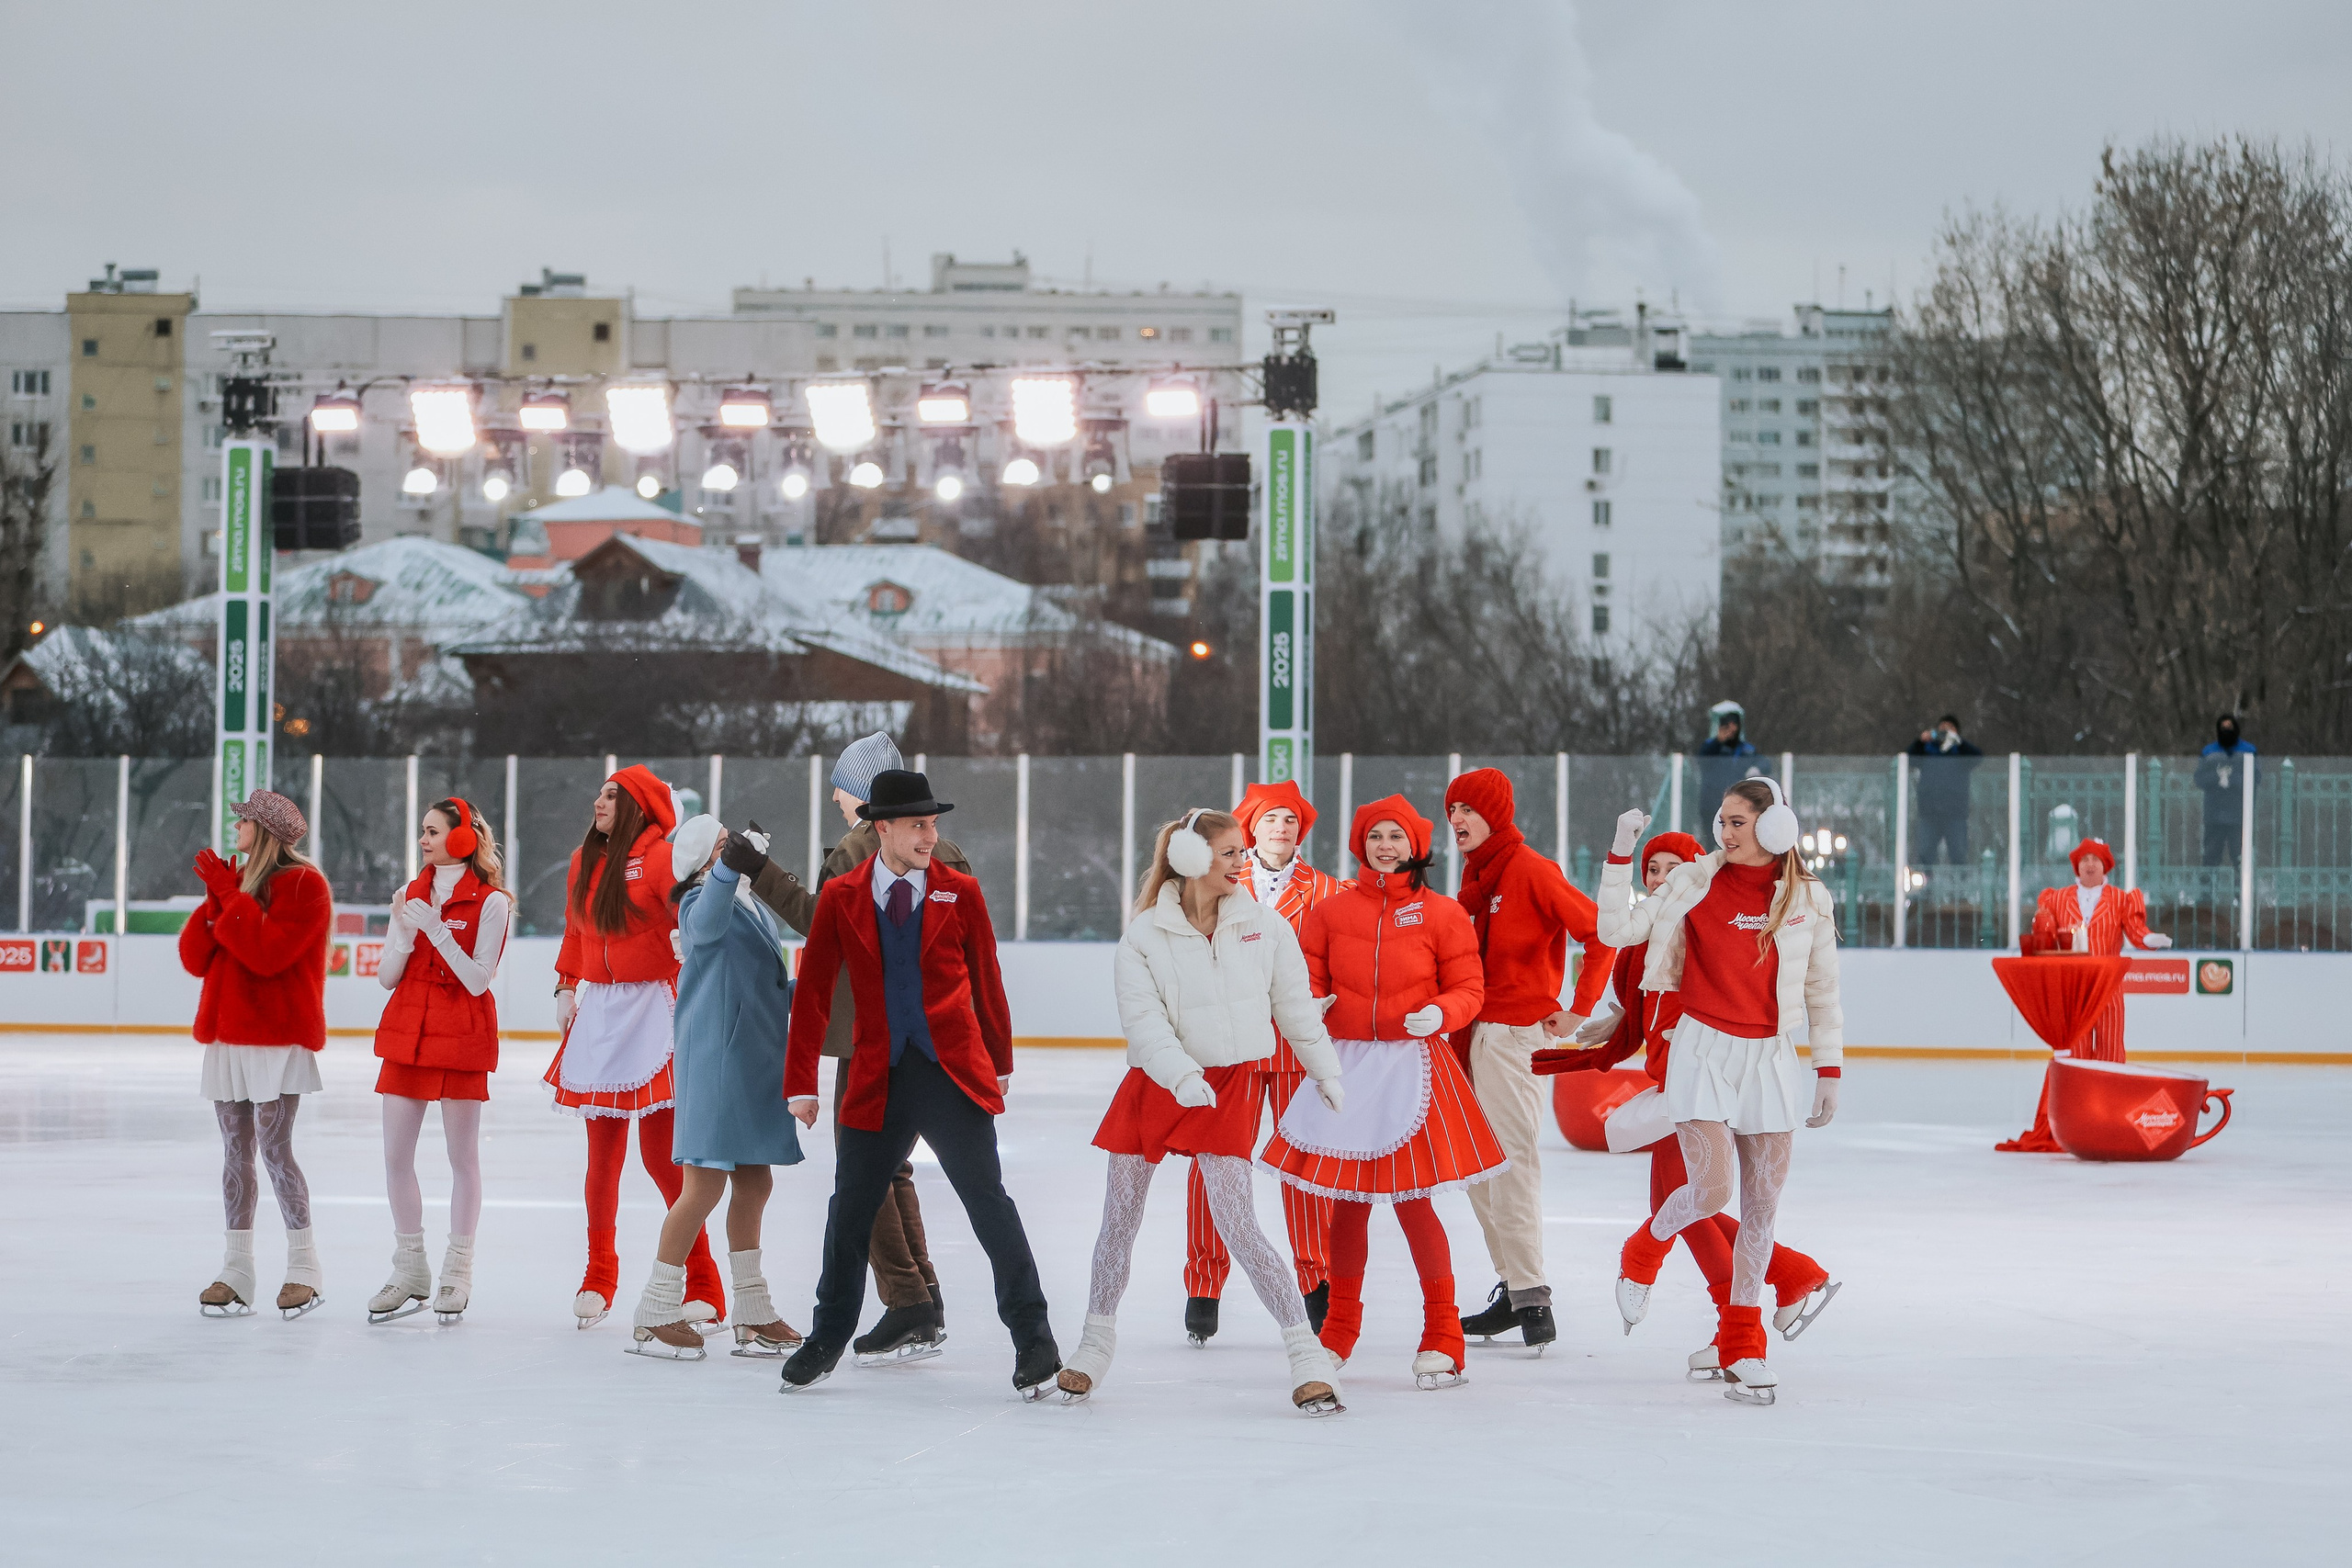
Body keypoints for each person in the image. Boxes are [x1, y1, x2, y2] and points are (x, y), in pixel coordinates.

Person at [778, 770, 1062, 1398]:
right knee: (849, 1209)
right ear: (883, 828)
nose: (931, 836)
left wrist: (1001, 1062)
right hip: (875, 1074)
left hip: (949, 1072)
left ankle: (1035, 1338)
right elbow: (815, 995)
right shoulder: (842, 896)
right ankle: (827, 1335)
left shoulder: (959, 892)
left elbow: (987, 979)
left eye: (933, 824)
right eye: (918, 825)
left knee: (989, 1202)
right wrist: (800, 1080)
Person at [1057, 808, 1348, 1415]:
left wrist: (1326, 1068)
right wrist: (1180, 1073)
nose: (1241, 862)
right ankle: (1093, 1343)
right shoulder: (1143, 936)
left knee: (1240, 1226)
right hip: (1158, 1083)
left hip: (1230, 1084)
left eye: (1242, 851)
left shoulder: (1265, 928)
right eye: (1227, 853)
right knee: (1120, 1218)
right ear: (1191, 860)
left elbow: (1296, 1007)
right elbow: (1144, 1021)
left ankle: (1307, 1355)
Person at [1534, 829, 1838, 1378]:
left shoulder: (1697, 926)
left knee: (1693, 1202)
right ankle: (1768, 1299)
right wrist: (1590, 1027)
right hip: (1676, 1091)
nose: (1660, 878)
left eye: (1673, 867)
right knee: (1694, 1203)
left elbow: (1709, 1000)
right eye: (1653, 868)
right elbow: (1635, 1015)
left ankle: (1757, 1302)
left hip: (1700, 1088)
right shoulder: (1643, 946)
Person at [1597, 779, 1844, 1406]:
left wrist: (1830, 1070)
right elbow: (1618, 928)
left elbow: (1822, 991)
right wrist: (1620, 852)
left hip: (1772, 1058)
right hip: (1702, 1049)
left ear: (1775, 826)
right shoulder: (1694, 880)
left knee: (1762, 1207)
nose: (1724, 833)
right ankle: (1643, 1248)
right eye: (1722, 820)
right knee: (1712, 1189)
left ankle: (1743, 1343)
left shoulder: (1809, 898)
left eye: (1737, 822)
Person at [729, 731, 964, 1365]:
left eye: (842, 796)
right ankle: (924, 1297)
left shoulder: (865, 845)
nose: (840, 807)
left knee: (863, 1170)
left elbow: (819, 918)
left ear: (863, 797)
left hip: (870, 1034)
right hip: (927, 1031)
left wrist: (758, 871)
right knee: (893, 1166)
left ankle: (909, 1300)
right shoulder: (947, 848)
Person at [1259, 795, 1504, 1392]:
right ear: (1360, 844)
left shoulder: (1442, 913)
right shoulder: (1332, 911)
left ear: (1417, 844)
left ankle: (1443, 1333)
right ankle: (1339, 1328)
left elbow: (1471, 986)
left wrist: (1441, 1012)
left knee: (1414, 1201)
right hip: (1346, 1064)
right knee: (1347, 1201)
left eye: (1396, 835)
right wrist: (1308, 1004)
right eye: (1375, 836)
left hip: (1411, 1067)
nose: (1385, 845)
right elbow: (1307, 974)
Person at [1442, 767, 1613, 1352]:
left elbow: (1601, 932)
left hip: (1515, 1037)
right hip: (1470, 1034)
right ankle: (1516, 1287)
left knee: (1511, 1163)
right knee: (1469, 1167)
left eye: (1468, 808)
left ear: (1496, 812)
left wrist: (1578, 1007)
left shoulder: (1531, 871)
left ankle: (1531, 1296)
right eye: (1452, 811)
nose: (1457, 820)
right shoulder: (1477, 877)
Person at [623, 817, 807, 1360]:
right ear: (709, 859)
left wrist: (816, 987)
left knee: (755, 1185)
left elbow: (763, 982)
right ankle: (655, 1312)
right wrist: (727, 870)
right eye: (728, 848)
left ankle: (751, 1309)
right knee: (702, 1188)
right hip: (719, 1062)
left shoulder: (748, 904)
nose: (740, 855)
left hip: (754, 1061)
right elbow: (703, 929)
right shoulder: (701, 901)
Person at [548, 765, 723, 1329]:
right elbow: (577, 931)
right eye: (599, 792)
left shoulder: (659, 859)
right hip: (601, 1014)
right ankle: (599, 1273)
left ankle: (705, 1282)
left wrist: (688, 942)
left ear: (639, 807)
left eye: (611, 795)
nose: (597, 802)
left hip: (654, 1011)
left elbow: (694, 925)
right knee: (601, 1158)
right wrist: (566, 983)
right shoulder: (584, 861)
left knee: (659, 1156)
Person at [1179, 779, 1341, 1346]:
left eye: (1291, 820)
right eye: (1271, 819)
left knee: (1303, 1161)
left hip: (1295, 1042)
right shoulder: (1217, 882)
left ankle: (1315, 1278)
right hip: (1229, 1044)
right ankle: (1204, 1282)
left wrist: (1328, 1001)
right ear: (1250, 826)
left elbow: (1339, 958)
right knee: (1218, 1161)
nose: (1282, 829)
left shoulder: (1326, 890)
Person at [180, 790, 334, 1320]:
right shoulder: (238, 884)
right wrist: (214, 899)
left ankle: (303, 1266)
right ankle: (236, 1268)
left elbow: (267, 953)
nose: (235, 828)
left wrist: (229, 892)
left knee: (273, 1148)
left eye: (243, 820)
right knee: (233, 1152)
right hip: (228, 1038)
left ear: (262, 831)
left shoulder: (305, 885)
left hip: (277, 1038)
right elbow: (195, 958)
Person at [367, 797, 510, 1325]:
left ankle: (458, 1270)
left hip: (460, 1031)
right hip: (409, 1027)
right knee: (395, 1156)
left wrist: (437, 931)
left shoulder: (493, 903)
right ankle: (410, 1269)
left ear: (461, 837)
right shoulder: (409, 894)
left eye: (433, 831)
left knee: (462, 1158)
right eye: (422, 832)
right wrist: (404, 934)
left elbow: (477, 979)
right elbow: (386, 977)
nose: (423, 840)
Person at [1997, 839, 2174, 1153]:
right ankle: (2072, 1122)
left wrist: (2150, 938)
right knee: (2075, 1057)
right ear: (2076, 867)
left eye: (2095, 859)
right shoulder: (2058, 898)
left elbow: (2135, 931)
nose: (2089, 864)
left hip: (2108, 986)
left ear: (2106, 865)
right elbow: (2045, 935)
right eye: (2083, 860)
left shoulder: (2121, 899)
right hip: (2073, 988)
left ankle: (2109, 1120)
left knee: (2110, 1055)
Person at [1908, 716, 1984, 866]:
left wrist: (1959, 741)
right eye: (1942, 728)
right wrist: (1921, 741)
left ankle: (1959, 888)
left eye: (1949, 728)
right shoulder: (1928, 750)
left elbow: (1978, 757)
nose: (1945, 731)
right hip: (1929, 812)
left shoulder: (1961, 751)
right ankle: (1926, 887)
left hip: (1955, 813)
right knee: (1925, 854)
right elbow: (1909, 759)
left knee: (1958, 855)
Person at [2194, 716, 2256, 867]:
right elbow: (2199, 778)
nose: (2227, 731)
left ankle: (2241, 891)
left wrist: (2232, 779)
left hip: (2240, 816)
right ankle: (2207, 891)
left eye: (2230, 727)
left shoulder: (2248, 751)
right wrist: (2217, 778)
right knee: (2210, 859)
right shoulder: (2209, 752)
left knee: (2241, 860)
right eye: (2223, 727)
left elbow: (2256, 777)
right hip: (2214, 815)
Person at [1695, 699, 1761, 823]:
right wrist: (1718, 742)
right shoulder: (1710, 747)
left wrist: (1756, 769)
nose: (1731, 730)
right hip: (1711, 802)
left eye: (1734, 725)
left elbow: (1763, 762)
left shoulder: (1746, 749)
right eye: (1727, 726)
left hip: (1738, 800)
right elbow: (1702, 761)